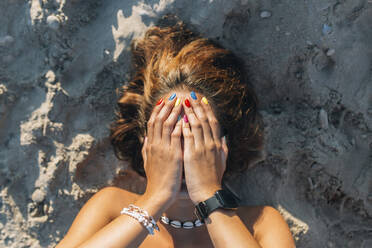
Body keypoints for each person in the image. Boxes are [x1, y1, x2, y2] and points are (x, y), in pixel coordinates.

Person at [56, 17, 295, 248]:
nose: (182, 156)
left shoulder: (260, 225)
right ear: (145, 142)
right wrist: (155, 199)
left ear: (223, 144)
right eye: (169, 136)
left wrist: (208, 195)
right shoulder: (110, 207)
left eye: (196, 135)